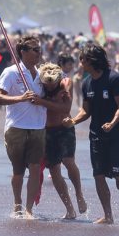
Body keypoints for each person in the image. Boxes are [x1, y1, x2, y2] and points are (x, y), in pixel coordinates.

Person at [65, 42, 119, 224]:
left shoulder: (115, 79)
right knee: (98, 174)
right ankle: (108, 215)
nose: (80, 63)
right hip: (96, 135)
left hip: (117, 135)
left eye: (82, 60)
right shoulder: (86, 83)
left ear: (90, 60)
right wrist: (73, 121)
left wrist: (112, 124)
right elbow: (86, 110)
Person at [0, 35, 46, 217]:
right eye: (35, 50)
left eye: (40, 49)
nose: (39, 53)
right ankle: (17, 203)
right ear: (23, 52)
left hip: (38, 127)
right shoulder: (11, 72)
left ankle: (29, 209)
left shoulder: (43, 73)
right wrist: (20, 98)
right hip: (16, 127)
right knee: (18, 171)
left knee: (35, 168)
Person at [37, 63, 86, 219]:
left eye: (52, 84)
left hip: (64, 128)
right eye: (47, 84)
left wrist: (42, 102)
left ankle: (79, 194)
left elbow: (65, 108)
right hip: (47, 131)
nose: (50, 88)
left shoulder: (66, 83)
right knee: (54, 170)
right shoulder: (39, 84)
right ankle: (69, 209)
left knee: (68, 161)